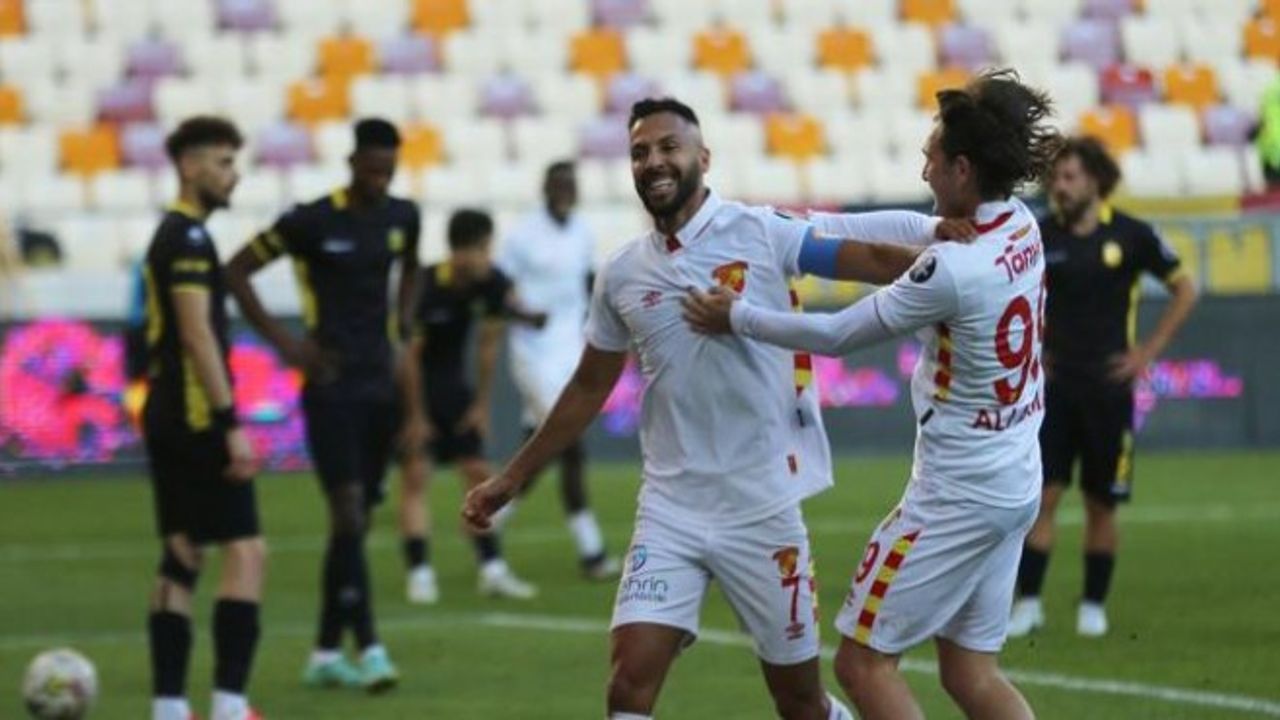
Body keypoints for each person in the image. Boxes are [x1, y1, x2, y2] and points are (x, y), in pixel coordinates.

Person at [461, 96, 948, 720]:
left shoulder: (760, 232)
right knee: (628, 685)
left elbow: (867, 258)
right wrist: (510, 479)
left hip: (761, 507)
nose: (653, 162)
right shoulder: (622, 274)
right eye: (640, 152)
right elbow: (587, 386)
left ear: (704, 158)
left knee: (799, 702)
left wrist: (954, 266)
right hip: (671, 508)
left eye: (669, 147)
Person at [683, 68, 1058, 720]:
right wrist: (813, 225)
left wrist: (737, 316)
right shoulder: (1021, 225)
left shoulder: (953, 269)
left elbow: (835, 335)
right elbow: (919, 226)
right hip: (1016, 479)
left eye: (931, 157)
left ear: (962, 169)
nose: (923, 170)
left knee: (861, 664)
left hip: (958, 495)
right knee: (970, 671)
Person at [226, 118, 419, 692]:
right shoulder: (310, 221)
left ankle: (325, 652)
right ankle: (372, 649)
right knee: (349, 513)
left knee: (353, 525)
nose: (381, 181)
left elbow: (412, 267)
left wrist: (404, 323)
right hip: (331, 388)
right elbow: (236, 270)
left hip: (380, 389)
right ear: (353, 162)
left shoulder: (402, 217)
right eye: (374, 169)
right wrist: (287, 346)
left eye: (390, 171)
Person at [1008, 136, 1198, 638]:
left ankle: (1093, 606)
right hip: (1052, 390)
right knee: (1041, 497)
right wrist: (1032, 353)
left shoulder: (1132, 235)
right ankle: (1029, 603)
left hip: (1109, 391)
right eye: (1055, 178)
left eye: (1069, 177)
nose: (1060, 187)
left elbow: (1185, 288)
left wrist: (1146, 352)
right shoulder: (1039, 235)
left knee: (1101, 502)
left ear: (1094, 180)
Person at [141, 116, 265, 720]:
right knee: (247, 552)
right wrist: (228, 421)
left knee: (184, 553)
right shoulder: (188, 239)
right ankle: (229, 705)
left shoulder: (172, 235)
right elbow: (196, 333)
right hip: (195, 417)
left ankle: (169, 707)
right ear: (189, 166)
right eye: (222, 162)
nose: (232, 174)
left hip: (166, 412)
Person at [398, 209, 544, 603]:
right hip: (414, 388)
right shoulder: (425, 285)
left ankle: (492, 569)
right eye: (484, 248)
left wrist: (480, 404)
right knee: (416, 476)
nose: (488, 256)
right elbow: (409, 356)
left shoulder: (493, 283)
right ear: (462, 251)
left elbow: (488, 345)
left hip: (454, 388)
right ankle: (420, 573)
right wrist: (415, 416)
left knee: (479, 473)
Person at [493, 160, 619, 580]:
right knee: (568, 440)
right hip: (532, 352)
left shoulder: (582, 231)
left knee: (539, 443)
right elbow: (499, 288)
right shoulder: (523, 234)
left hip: (570, 349)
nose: (566, 192)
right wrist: (524, 315)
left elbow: (589, 282)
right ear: (545, 188)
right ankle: (592, 552)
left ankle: (490, 518)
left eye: (571, 185)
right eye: (559, 185)